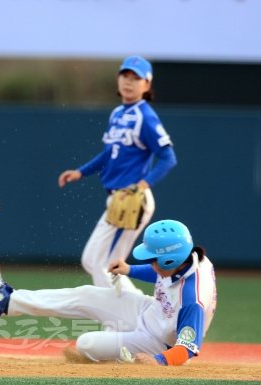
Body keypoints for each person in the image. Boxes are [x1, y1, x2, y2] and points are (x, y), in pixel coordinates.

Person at [0, 219, 217, 366]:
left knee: (86, 344)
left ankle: (121, 362)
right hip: (149, 310)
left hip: (158, 343)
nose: (149, 262)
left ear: (170, 259)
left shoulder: (192, 300)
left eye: (152, 259)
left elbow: (186, 349)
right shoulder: (186, 259)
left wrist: (157, 361)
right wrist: (129, 270)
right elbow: (162, 274)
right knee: (86, 294)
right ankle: (7, 301)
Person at [58, 56, 177, 293]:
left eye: (136, 78)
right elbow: (108, 154)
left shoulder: (145, 116)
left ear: (147, 85)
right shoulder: (117, 114)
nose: (129, 82)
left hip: (132, 199)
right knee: (107, 265)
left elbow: (168, 157)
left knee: (97, 262)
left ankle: (133, 317)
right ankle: (136, 317)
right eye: (125, 75)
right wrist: (81, 172)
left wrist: (143, 186)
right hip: (119, 199)